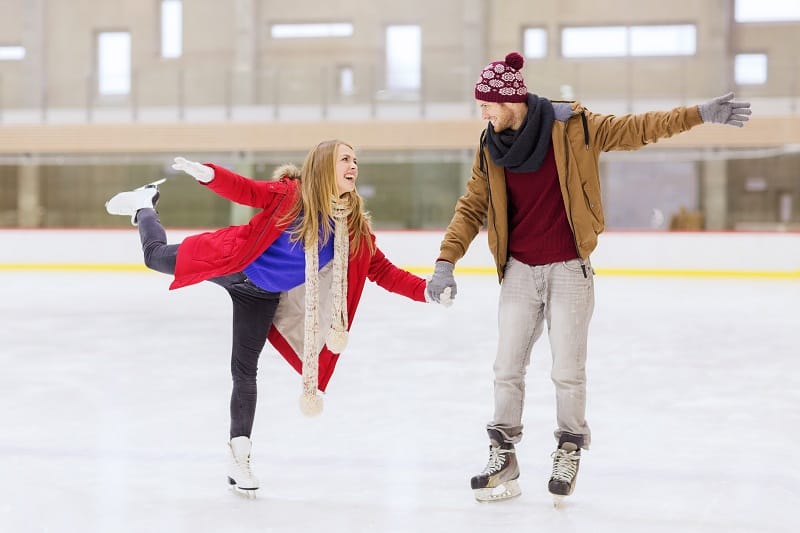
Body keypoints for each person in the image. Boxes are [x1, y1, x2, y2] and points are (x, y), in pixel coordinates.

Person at [425, 52, 751, 504]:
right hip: (519, 270)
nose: (482, 113)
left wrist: (698, 114)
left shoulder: (572, 126)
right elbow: (471, 206)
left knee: (567, 370)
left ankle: (568, 446)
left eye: (488, 104)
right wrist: (446, 260)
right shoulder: (489, 146)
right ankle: (503, 453)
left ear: (511, 99)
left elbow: (637, 128)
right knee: (506, 368)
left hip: (568, 269)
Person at [105, 140, 451, 497]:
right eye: (345, 159)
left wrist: (426, 290)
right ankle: (144, 205)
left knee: (244, 369)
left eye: (356, 160)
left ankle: (239, 455)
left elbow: (385, 272)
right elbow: (247, 191)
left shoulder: (353, 231)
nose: (354, 166)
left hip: (259, 295)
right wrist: (209, 174)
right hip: (233, 260)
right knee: (155, 257)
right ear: (323, 166)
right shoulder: (290, 195)